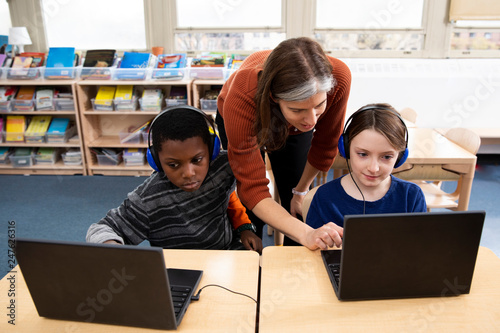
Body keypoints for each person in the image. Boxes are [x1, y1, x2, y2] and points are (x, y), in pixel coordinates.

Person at [216, 37, 351, 249]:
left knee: (296, 204)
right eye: (297, 109)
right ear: (274, 97)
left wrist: (300, 192)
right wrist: (307, 234)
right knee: (251, 209)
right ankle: (253, 261)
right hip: (247, 114)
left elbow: (325, 146)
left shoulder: (339, 77)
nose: (312, 120)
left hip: (292, 128)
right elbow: (252, 188)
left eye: (319, 105)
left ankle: (292, 266)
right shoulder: (243, 94)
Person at [86, 106, 263, 254]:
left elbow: (236, 191)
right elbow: (100, 229)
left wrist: (244, 228)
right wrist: (111, 247)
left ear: (212, 150)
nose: (188, 173)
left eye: (196, 160)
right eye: (173, 165)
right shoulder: (147, 199)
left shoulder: (223, 167)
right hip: (179, 269)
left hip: (225, 254)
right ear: (155, 160)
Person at [306, 103, 427, 229]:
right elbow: (310, 247)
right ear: (345, 148)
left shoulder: (411, 196)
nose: (373, 168)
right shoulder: (325, 196)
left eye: (386, 157)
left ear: (400, 156)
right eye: (363, 154)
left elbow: (422, 246)